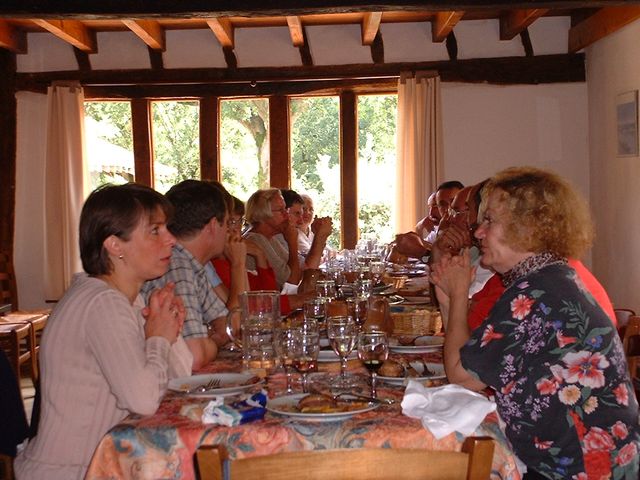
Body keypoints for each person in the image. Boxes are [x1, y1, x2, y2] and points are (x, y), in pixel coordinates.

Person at [431, 167, 639, 479]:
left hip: (578, 468)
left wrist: (459, 294)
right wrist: (449, 300)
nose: (478, 232)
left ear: (525, 227)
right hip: (588, 460)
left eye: (489, 221)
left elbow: (461, 377)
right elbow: (471, 358)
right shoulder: (548, 277)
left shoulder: (536, 293)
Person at [15, 184, 192, 480]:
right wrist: (159, 338)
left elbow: (180, 379)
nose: (171, 239)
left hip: (104, 466)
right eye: (155, 230)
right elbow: (144, 400)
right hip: (72, 472)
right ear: (114, 245)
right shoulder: (102, 303)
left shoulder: (129, 299)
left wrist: (168, 330)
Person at [143, 180, 229, 369]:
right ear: (213, 225)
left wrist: (210, 339)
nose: (229, 232)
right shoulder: (176, 265)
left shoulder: (192, 263)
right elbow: (194, 356)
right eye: (227, 223)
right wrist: (213, 342)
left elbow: (226, 326)